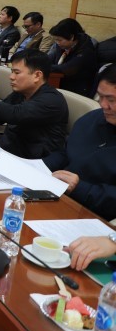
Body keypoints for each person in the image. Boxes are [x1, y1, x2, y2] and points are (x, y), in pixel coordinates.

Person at [0, 49, 68, 159]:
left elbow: (14, 114)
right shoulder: (21, 93)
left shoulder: (52, 100)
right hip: (5, 153)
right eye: (12, 72)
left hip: (32, 163)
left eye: (17, 72)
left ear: (37, 76)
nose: (11, 77)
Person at [44, 64, 116, 226]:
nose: (103, 105)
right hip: (60, 197)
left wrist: (80, 188)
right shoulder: (93, 119)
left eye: (111, 100)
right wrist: (39, 167)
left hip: (97, 219)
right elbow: (67, 152)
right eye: (100, 97)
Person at [48, 18, 97, 97]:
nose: (57, 42)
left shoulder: (86, 50)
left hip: (77, 90)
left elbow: (68, 68)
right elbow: (48, 59)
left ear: (71, 37)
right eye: (56, 40)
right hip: (60, 83)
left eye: (59, 40)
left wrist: (45, 66)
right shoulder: (61, 46)